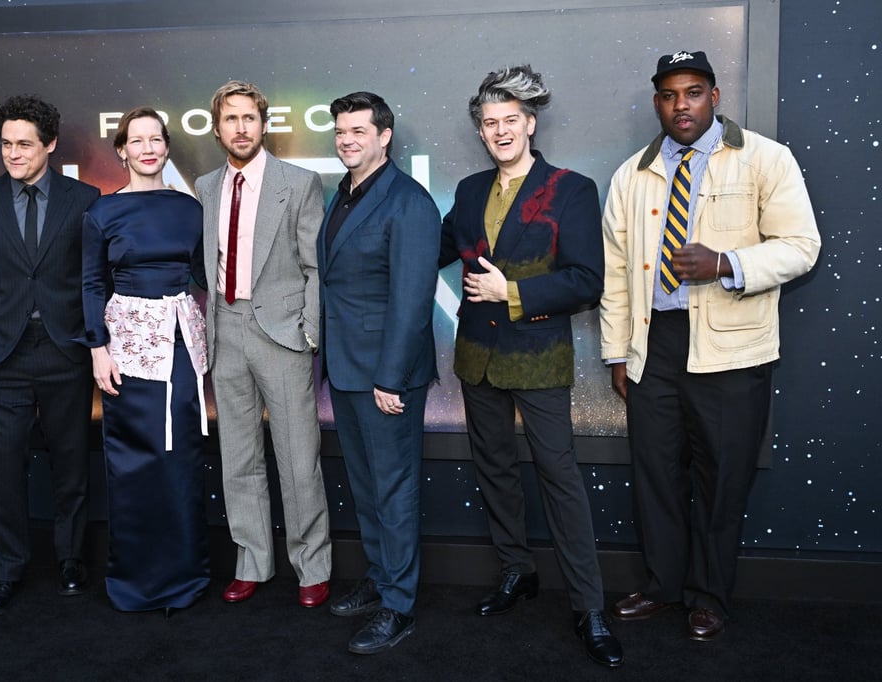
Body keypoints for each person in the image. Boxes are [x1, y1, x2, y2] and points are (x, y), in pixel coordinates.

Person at [600, 50, 820, 641]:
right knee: (656, 474)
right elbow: (617, 273)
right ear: (658, 104)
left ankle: (709, 595)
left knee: (722, 478)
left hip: (731, 346)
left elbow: (802, 246)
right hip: (656, 345)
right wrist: (618, 352)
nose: (682, 105)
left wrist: (727, 262)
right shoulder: (631, 174)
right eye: (670, 96)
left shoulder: (765, 158)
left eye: (693, 92)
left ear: (714, 97)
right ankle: (663, 585)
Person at [437, 66, 623, 668]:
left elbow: (585, 282)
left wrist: (511, 293)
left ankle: (589, 607)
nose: (499, 131)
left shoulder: (571, 188)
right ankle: (518, 572)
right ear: (481, 132)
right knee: (495, 471)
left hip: (539, 355)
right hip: (478, 359)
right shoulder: (468, 192)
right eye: (489, 124)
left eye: (509, 121)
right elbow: (430, 245)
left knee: (559, 479)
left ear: (530, 124)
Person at [0, 94, 98, 616]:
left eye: (24, 145)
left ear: (50, 145)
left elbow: (93, 278)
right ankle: (7, 571)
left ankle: (70, 560)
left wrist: (91, 338)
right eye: (6, 145)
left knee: (71, 466)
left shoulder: (84, 199)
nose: (13, 154)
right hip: (0, 357)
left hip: (65, 351)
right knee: (4, 470)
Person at [194, 81, 331, 608]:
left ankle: (311, 566)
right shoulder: (206, 186)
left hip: (282, 333)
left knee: (299, 459)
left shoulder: (298, 183)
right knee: (239, 456)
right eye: (231, 119)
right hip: (224, 329)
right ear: (217, 128)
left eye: (250, 118)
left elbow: (317, 268)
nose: (241, 128)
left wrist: (309, 331)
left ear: (264, 123)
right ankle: (251, 561)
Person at [319, 91, 440, 654]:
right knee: (366, 488)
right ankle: (379, 576)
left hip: (385, 378)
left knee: (393, 491)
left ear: (384, 136)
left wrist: (390, 379)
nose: (347, 140)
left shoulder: (409, 201)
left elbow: (413, 301)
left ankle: (399, 606)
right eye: (340, 131)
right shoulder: (341, 194)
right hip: (345, 370)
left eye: (358, 131)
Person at [82, 107, 211, 616]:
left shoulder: (189, 208)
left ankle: (184, 578)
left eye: (156, 138)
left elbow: (207, 275)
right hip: (126, 351)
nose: (148, 148)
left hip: (180, 347)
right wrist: (97, 348)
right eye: (137, 140)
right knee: (134, 462)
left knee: (179, 459)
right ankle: (136, 581)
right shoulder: (101, 213)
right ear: (122, 150)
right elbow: (91, 283)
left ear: (166, 146)